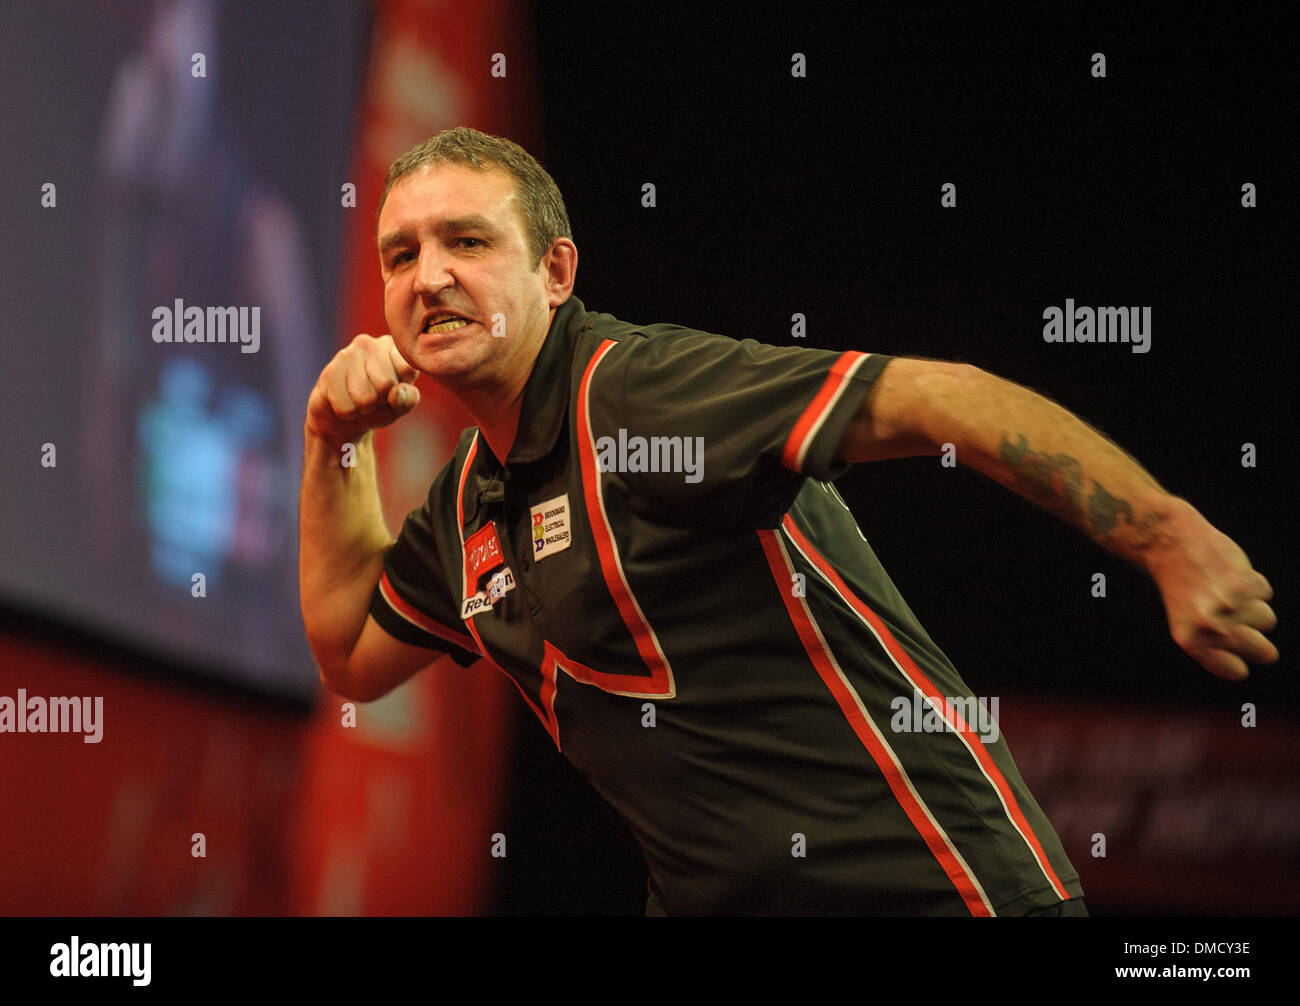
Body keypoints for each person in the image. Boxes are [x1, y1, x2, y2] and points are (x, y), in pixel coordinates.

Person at [299, 127, 1278, 916]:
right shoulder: (469, 498)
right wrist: (333, 437)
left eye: (466, 241)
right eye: (401, 253)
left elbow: (948, 397)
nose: (427, 276)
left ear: (555, 273)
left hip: (927, 887)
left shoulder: (642, 393)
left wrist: (1162, 535)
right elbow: (349, 647)